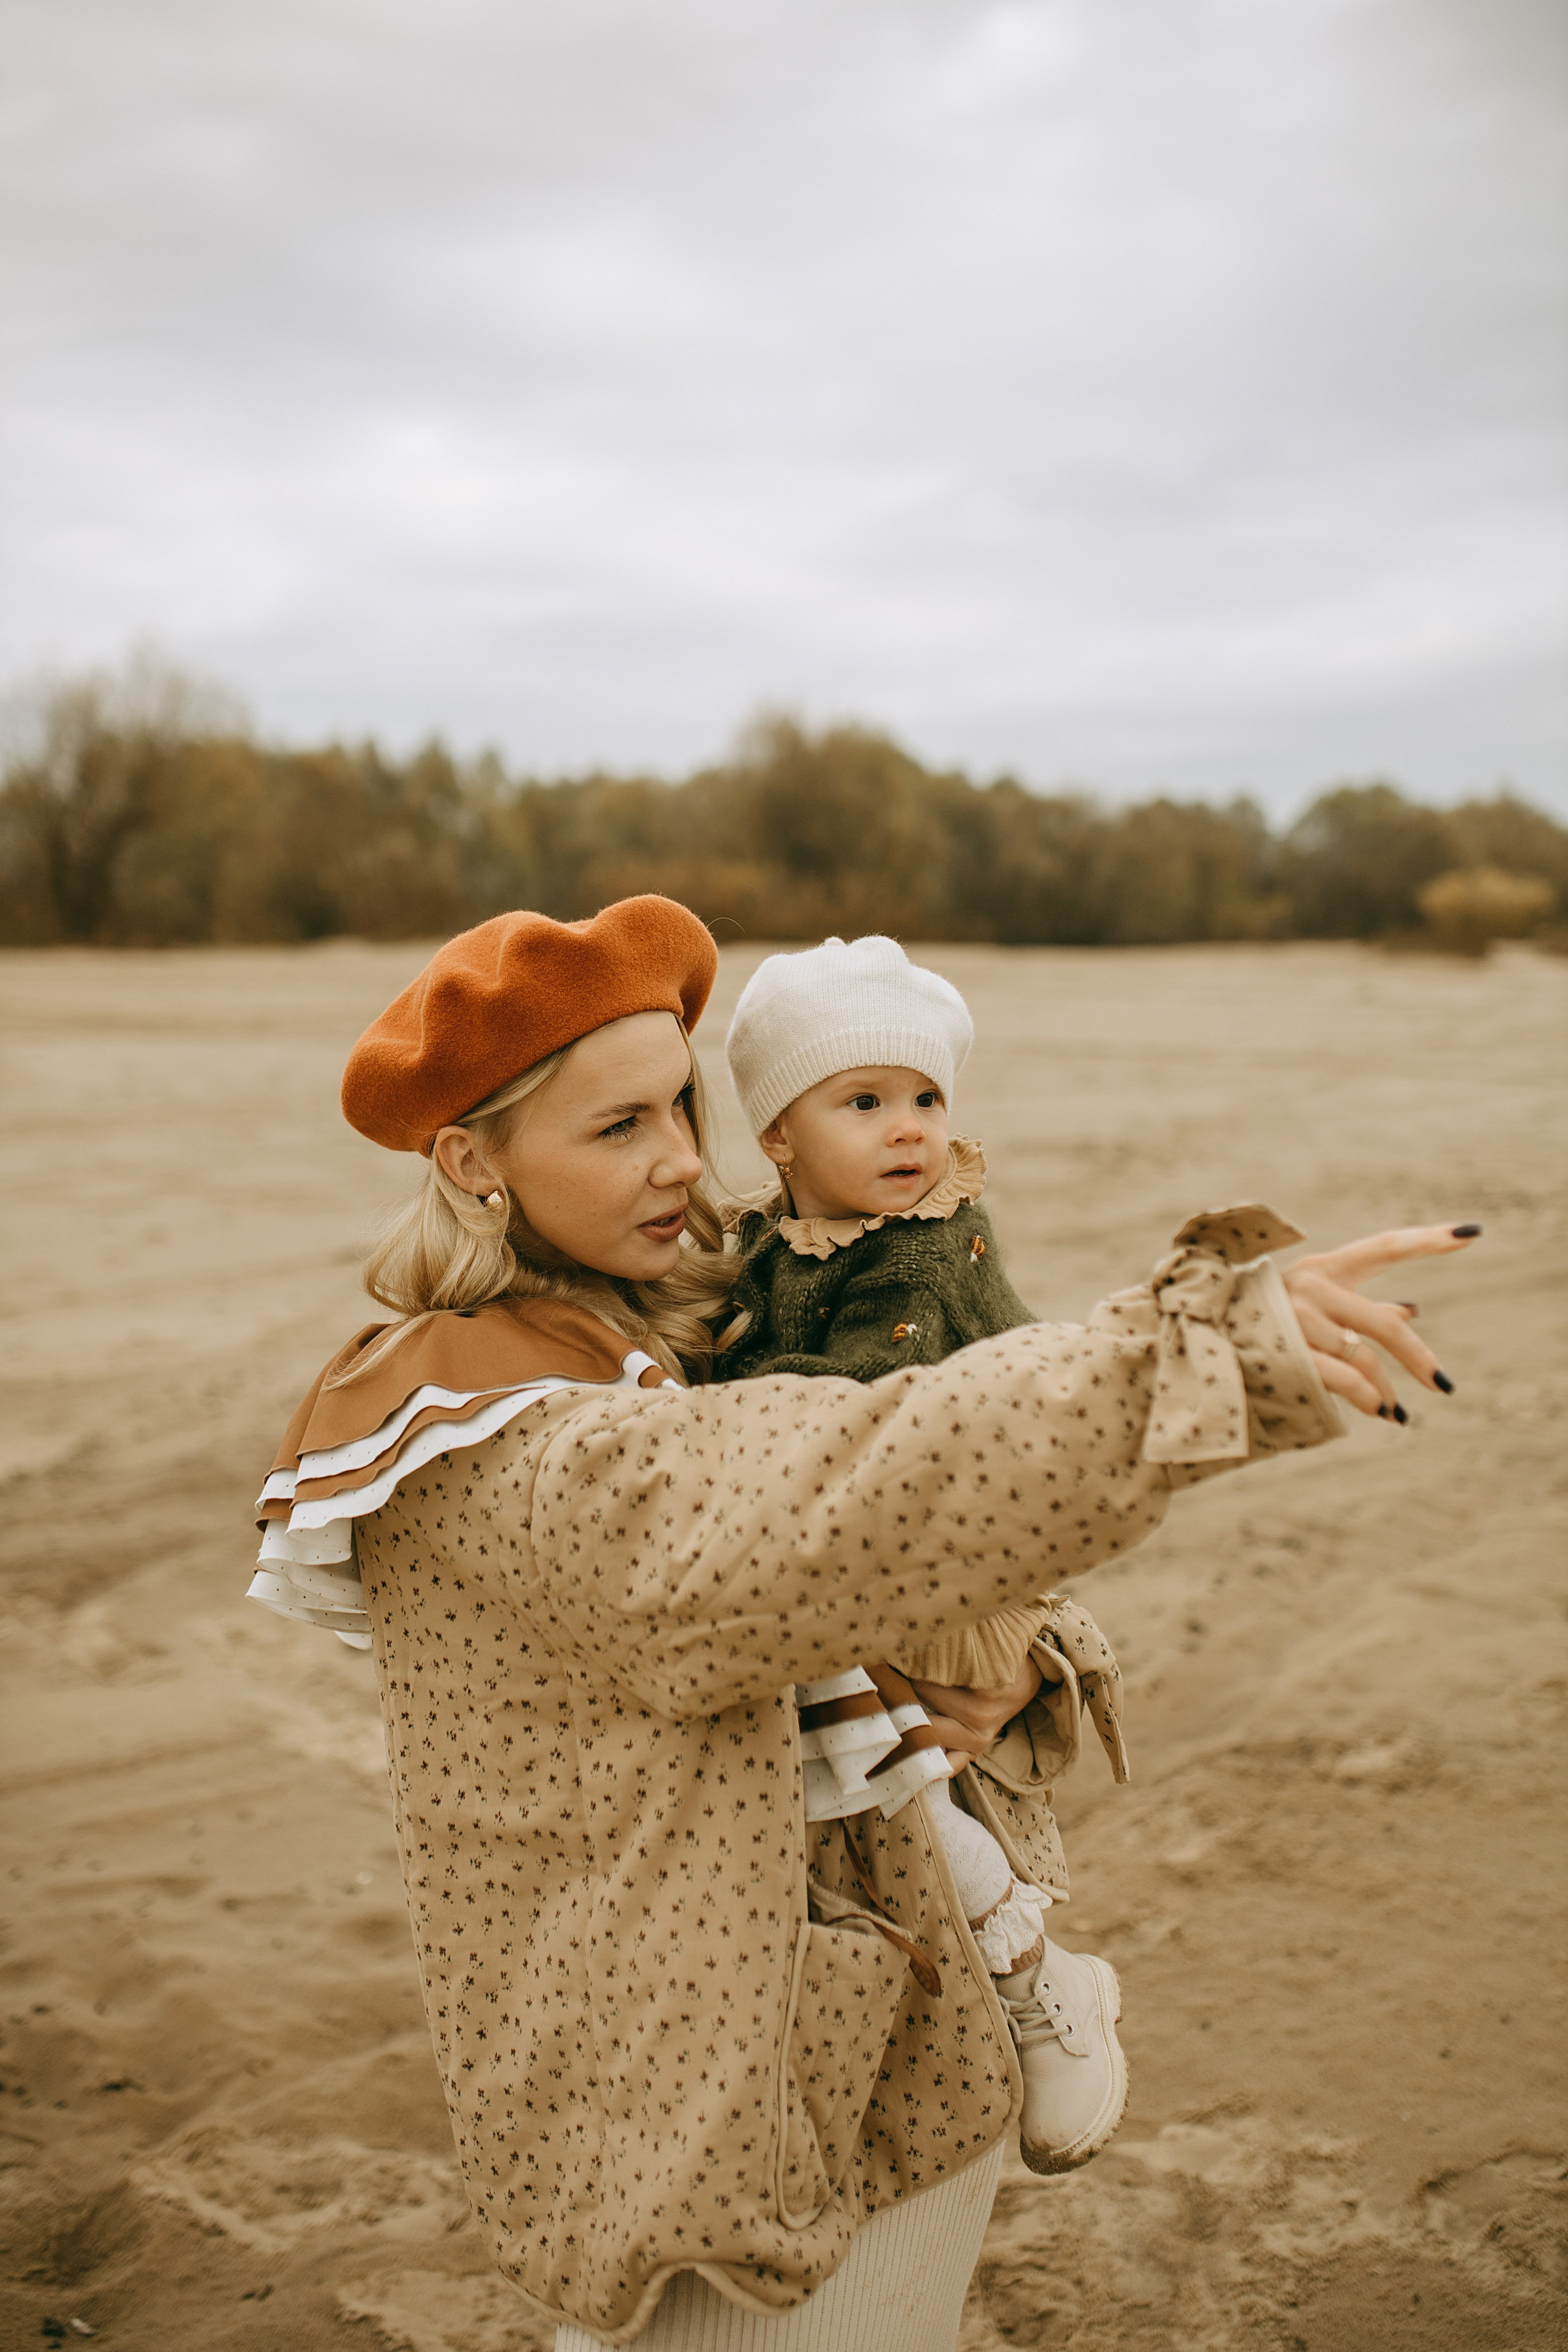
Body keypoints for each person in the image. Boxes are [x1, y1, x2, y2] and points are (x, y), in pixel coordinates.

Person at [247, 895, 1476, 2351]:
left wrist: (1015, 1664)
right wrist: (1184, 1358)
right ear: (470, 1160)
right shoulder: (486, 1429)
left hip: (862, 2037)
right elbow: (840, 1490)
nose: (681, 1160)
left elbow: (864, 1537)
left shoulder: (676, 1312)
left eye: (681, 1107)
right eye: (619, 1127)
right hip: (704, 2084)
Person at [718, 932, 1131, 2180]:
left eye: (926, 1098)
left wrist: (709, 1410)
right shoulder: (765, 1245)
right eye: (863, 1102)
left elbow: (862, 1393)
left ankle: (1036, 1977)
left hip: (953, 1564)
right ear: (777, 1137)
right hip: (859, 1549)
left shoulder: (929, 1246)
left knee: (900, 1773)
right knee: (862, 1775)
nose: (909, 1130)